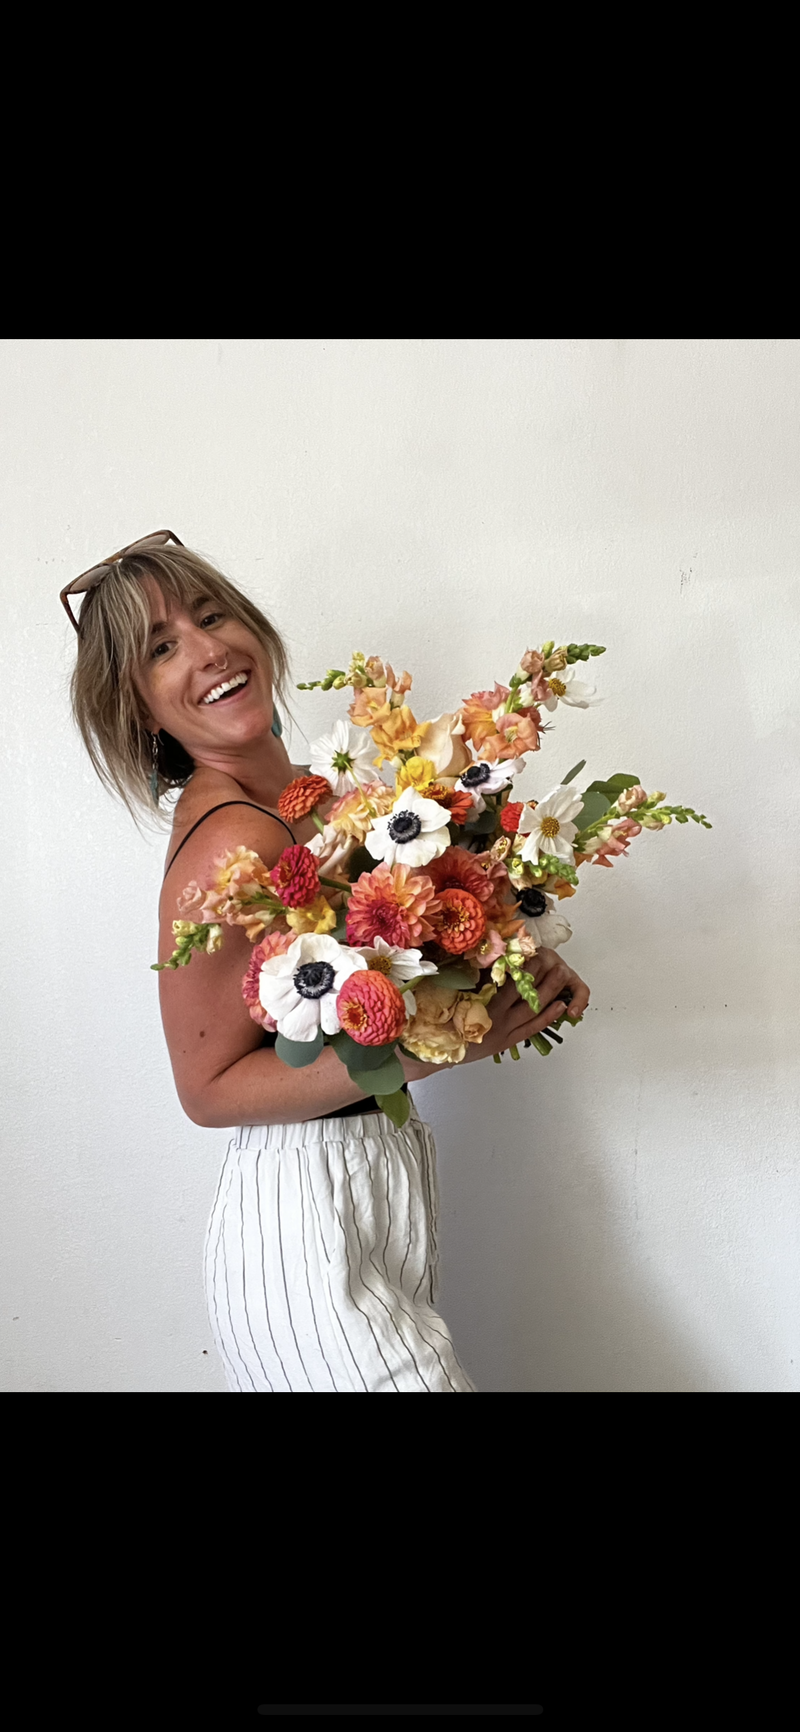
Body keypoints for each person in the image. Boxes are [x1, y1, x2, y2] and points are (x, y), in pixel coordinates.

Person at [63, 532, 591, 1392]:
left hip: (376, 1194)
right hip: (304, 1224)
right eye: (162, 650)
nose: (208, 651)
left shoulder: (334, 803)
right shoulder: (229, 836)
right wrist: (440, 1045)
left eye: (211, 615)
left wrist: (500, 963)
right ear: (139, 707)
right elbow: (206, 1088)